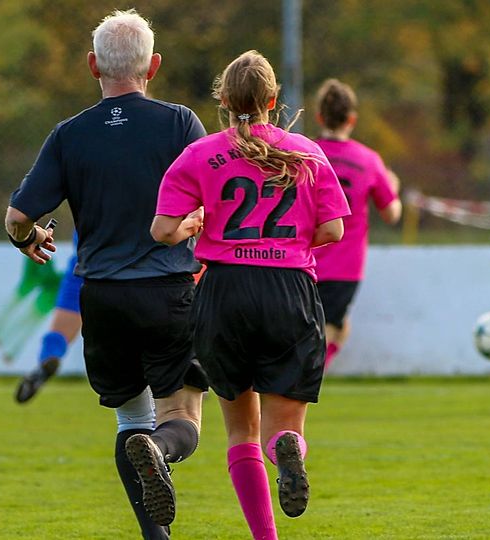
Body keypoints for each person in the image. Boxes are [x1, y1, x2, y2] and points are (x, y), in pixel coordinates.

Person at [5, 10, 209, 538]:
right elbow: (212, 202)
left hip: (101, 296)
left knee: (130, 420)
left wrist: (30, 240)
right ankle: (161, 449)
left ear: (93, 65)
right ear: (154, 66)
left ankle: (154, 532)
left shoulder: (69, 135)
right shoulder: (180, 123)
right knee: (182, 416)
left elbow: (17, 217)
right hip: (167, 291)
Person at [152, 50, 349, 538]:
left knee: (241, 431)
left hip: (225, 290)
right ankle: (286, 448)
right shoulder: (306, 151)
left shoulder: (200, 154)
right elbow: (333, 230)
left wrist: (196, 226)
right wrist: (289, 242)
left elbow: (162, 230)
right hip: (289, 289)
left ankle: (265, 537)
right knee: (284, 428)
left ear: (223, 100)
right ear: (274, 100)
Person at [312, 79, 402, 369]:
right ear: (352, 119)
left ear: (319, 117)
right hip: (345, 266)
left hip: (303, 259)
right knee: (329, 331)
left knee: (332, 328)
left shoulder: (304, 154)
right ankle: (302, 382)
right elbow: (391, 214)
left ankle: (303, 379)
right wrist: (393, 188)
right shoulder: (368, 160)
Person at [15, 232, 84, 404]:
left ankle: (48, 359)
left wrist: (32, 233)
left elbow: (20, 218)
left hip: (84, 259)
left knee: (60, 332)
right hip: (130, 266)